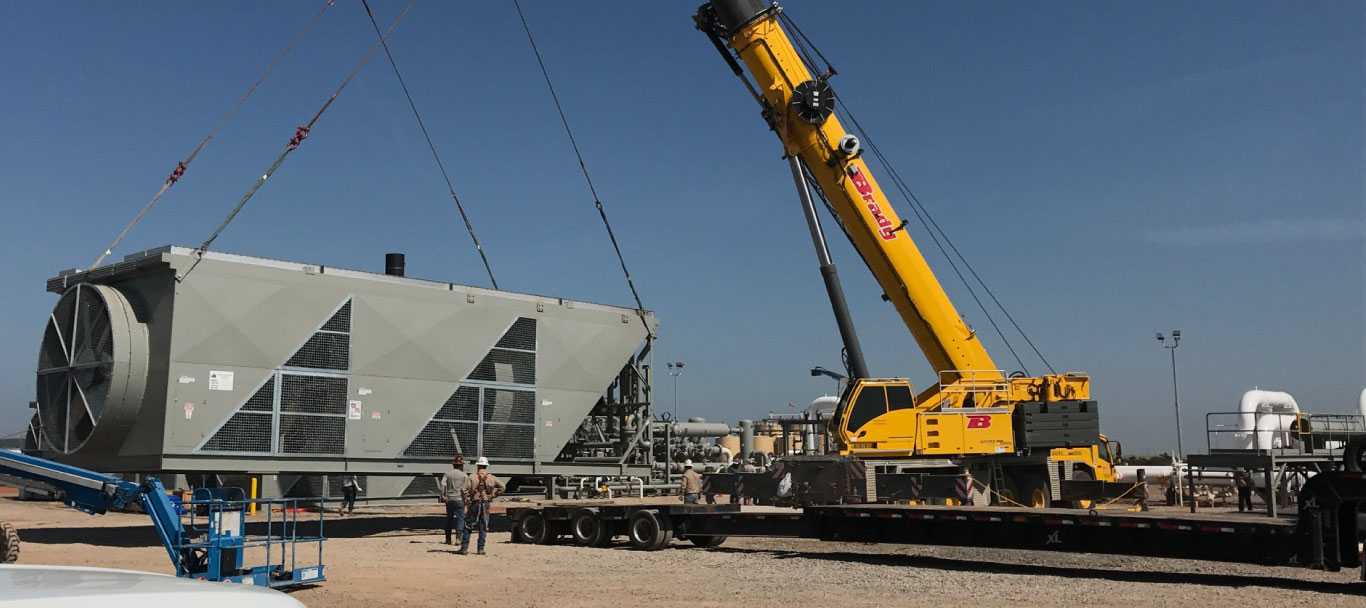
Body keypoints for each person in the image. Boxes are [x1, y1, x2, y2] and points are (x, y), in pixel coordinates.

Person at [462, 456, 504, 555]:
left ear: (478, 466)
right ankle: (480, 549)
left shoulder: (471, 477)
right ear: (486, 466)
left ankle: (464, 549)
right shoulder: (491, 478)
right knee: (483, 526)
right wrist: (492, 495)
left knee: (468, 525)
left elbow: (463, 490)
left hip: (474, 503)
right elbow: (503, 487)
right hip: (485, 503)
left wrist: (467, 500)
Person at [437, 455, 468, 546]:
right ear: (461, 465)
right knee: (460, 519)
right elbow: (465, 489)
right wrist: (466, 499)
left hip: (449, 499)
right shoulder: (464, 475)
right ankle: (458, 538)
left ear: (453, 465)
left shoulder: (447, 474)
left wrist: (443, 495)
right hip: (459, 499)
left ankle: (448, 539)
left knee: (449, 519)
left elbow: (443, 484)